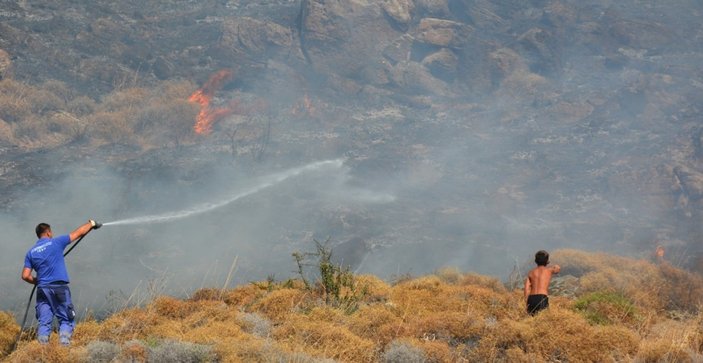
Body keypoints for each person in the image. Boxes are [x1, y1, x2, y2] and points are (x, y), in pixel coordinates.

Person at [21, 220, 101, 345]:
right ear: (48, 232)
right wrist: (91, 223)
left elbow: (25, 276)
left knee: (44, 321)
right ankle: (64, 348)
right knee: (66, 319)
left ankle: (42, 350)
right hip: (59, 288)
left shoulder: (31, 253)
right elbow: (78, 233)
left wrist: (38, 281)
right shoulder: (56, 242)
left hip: (42, 289)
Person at [524, 250, 560, 315]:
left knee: (531, 321)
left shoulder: (531, 273)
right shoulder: (549, 270)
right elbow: (557, 269)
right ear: (547, 261)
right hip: (542, 298)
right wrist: (553, 265)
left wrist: (527, 303)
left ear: (536, 261)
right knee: (543, 321)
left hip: (531, 298)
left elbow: (526, 289)